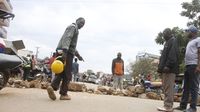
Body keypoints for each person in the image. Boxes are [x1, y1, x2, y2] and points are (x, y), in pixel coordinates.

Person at [47, 17, 85, 100]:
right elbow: (67, 39)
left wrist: (78, 56)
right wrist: (65, 51)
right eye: (81, 23)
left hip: (64, 51)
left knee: (61, 72)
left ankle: (52, 87)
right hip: (66, 53)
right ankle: (63, 94)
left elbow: (72, 45)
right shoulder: (73, 27)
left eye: (83, 24)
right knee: (67, 74)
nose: (82, 25)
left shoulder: (73, 28)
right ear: (77, 20)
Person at [174, 25, 200, 112]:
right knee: (186, 87)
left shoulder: (198, 40)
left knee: (194, 87)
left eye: (188, 31)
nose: (186, 33)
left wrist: (198, 66)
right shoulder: (190, 41)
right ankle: (183, 106)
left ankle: (193, 107)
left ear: (193, 32)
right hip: (188, 65)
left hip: (194, 65)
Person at [157, 28, 179, 112]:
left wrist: (168, 66)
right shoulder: (168, 42)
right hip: (166, 69)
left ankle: (168, 106)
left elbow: (172, 55)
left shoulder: (173, 41)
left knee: (169, 88)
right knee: (166, 88)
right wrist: (160, 68)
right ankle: (167, 105)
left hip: (169, 69)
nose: (163, 35)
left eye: (164, 33)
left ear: (169, 33)